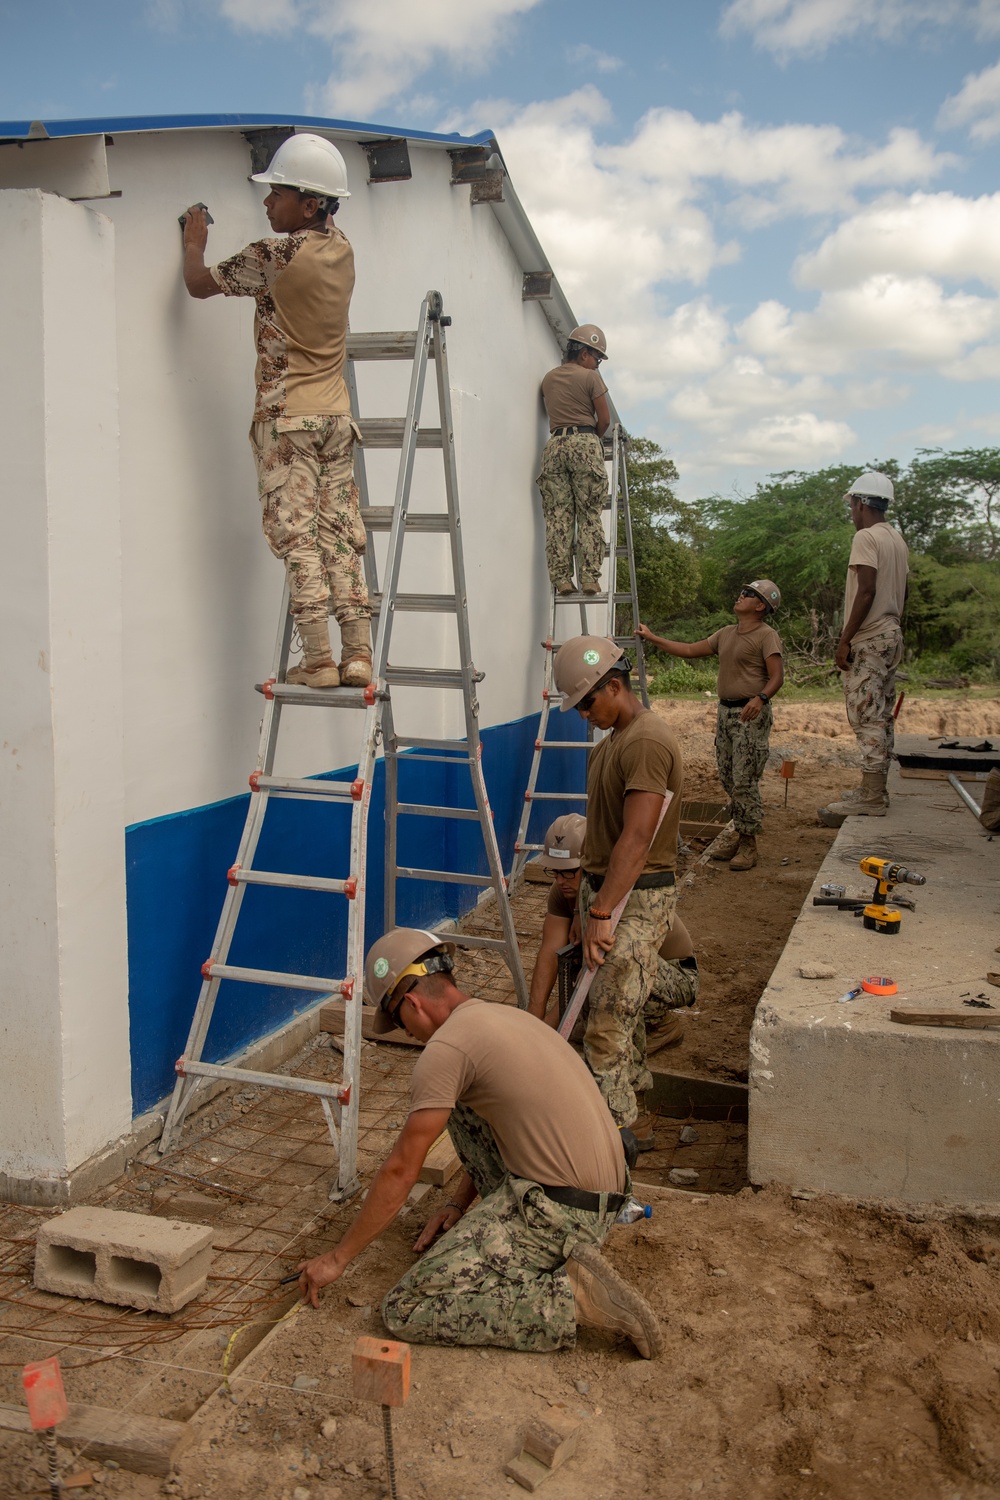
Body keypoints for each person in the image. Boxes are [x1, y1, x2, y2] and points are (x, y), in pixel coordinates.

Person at [297, 928, 662, 1360]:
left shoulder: (447, 1050)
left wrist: (337, 1259)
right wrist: (458, 1205)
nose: (404, 1033)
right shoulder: (500, 1017)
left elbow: (401, 1169)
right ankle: (534, 1240)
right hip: (611, 1195)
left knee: (406, 1307)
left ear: (412, 1003)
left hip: (565, 1214)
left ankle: (571, 1299)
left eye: (397, 1021)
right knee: (463, 1105)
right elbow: (489, 1128)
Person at [181, 133, 372, 690]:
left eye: (277, 193)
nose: (267, 204)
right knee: (340, 534)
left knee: (297, 537)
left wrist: (195, 241)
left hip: (289, 418)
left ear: (310, 203)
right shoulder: (343, 248)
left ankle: (317, 660)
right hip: (337, 417)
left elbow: (199, 285)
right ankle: (357, 653)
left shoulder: (275, 255)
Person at [551, 637, 683, 1141]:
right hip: (606, 892)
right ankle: (633, 1117)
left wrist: (604, 911)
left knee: (605, 1027)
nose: (584, 713)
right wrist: (592, 898)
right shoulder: (611, 745)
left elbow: (637, 837)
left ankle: (612, 1146)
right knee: (612, 1013)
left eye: (588, 702)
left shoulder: (646, 741)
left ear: (615, 685)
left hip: (636, 898)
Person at [636, 580, 784, 872]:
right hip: (726, 713)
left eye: (750, 594)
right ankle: (740, 834)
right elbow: (691, 649)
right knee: (729, 777)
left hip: (750, 714)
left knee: (744, 779)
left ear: (761, 606)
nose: (741, 595)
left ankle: (748, 844)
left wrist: (761, 698)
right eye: (743, 591)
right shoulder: (727, 633)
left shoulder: (767, 635)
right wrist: (653, 638)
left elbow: (777, 676)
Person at [528, 813, 699, 1055]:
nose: (560, 880)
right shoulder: (564, 888)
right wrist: (532, 1024)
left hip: (676, 975)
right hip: (628, 966)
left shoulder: (613, 892)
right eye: (555, 871)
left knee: (607, 974)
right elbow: (548, 951)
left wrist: (550, 1030)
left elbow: (593, 967)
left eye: (569, 872)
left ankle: (660, 1025)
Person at [818, 472, 909, 826]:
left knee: (866, 715)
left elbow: (866, 591)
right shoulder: (897, 540)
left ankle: (872, 797)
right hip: (890, 634)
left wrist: (845, 640)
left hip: (869, 638)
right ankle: (875, 788)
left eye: (852, 505)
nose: (852, 513)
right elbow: (904, 593)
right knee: (882, 714)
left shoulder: (866, 538)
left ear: (860, 503)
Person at [536, 325, 612, 596]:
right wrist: (592, 439)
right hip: (584, 441)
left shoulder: (548, 378)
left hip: (555, 446)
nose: (597, 364)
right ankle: (589, 578)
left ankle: (562, 580)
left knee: (559, 517)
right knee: (589, 514)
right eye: (597, 358)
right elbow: (604, 420)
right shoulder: (591, 379)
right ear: (583, 353)